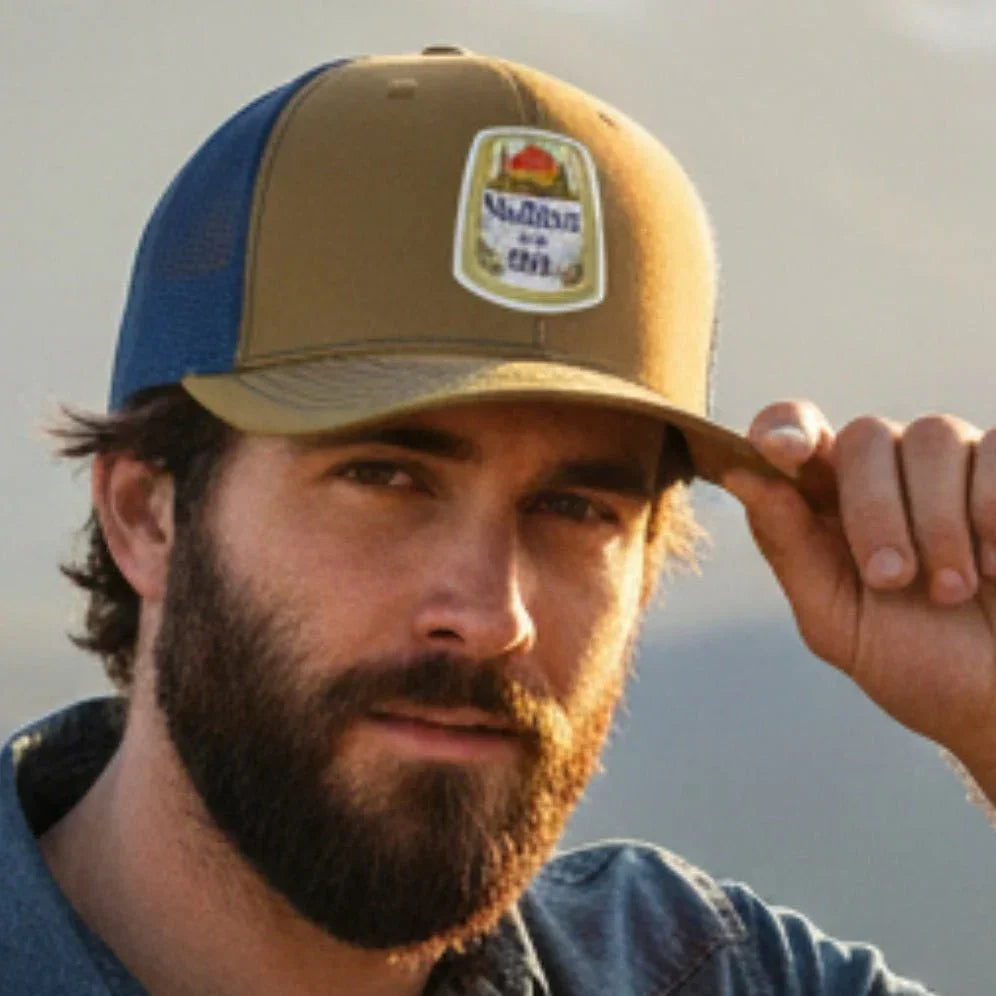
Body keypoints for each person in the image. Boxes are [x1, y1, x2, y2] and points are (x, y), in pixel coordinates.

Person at [1, 46, 989, 995]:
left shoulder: (704, 974)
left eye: (575, 507)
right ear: (148, 518)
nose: (491, 614)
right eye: (384, 477)